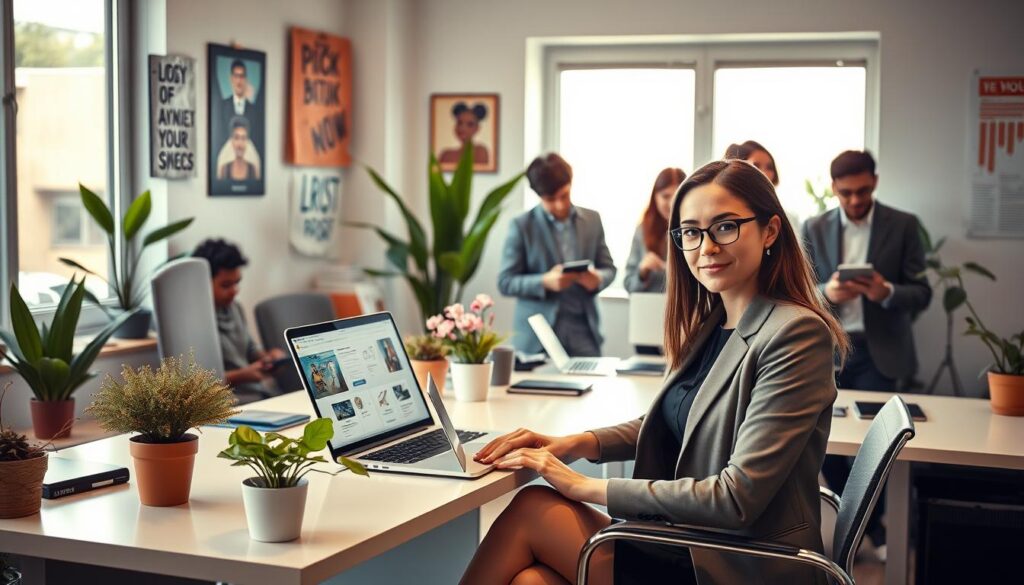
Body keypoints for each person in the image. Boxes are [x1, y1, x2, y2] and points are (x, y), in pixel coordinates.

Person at [465, 160, 847, 585]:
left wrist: (583, 486)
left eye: (725, 227)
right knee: (530, 582)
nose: (706, 248)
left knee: (532, 508)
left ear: (771, 230)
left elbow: (735, 497)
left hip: (738, 560)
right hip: (693, 541)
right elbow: (674, 420)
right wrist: (572, 444)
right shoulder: (715, 322)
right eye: (690, 232)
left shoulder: (795, 333)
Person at [801, 150, 931, 552]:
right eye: (846, 193)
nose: (855, 200)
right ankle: (866, 527)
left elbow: (923, 292)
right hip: (828, 349)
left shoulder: (904, 225)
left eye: (862, 191)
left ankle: (864, 530)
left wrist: (885, 291)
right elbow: (800, 291)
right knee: (822, 445)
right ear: (834, 189)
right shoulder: (813, 226)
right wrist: (827, 293)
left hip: (881, 351)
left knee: (874, 446)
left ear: (874, 181)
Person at [497, 153, 616, 357]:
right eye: (551, 200)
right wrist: (545, 281)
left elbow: (609, 269)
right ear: (538, 195)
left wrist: (597, 279)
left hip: (584, 332)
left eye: (565, 195)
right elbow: (505, 282)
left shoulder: (592, 220)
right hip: (536, 337)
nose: (560, 205)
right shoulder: (521, 226)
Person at [192, 238, 284, 403]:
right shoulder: (193, 321)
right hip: (228, 404)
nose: (235, 291)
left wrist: (269, 358)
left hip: (258, 395)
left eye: (237, 283)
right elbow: (196, 384)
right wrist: (241, 376)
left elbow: (250, 350)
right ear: (202, 282)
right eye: (226, 285)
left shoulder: (234, 308)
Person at [623, 167, 686, 293]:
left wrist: (668, 269)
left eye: (677, 196)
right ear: (655, 197)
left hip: (686, 308)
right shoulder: (642, 229)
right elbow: (629, 285)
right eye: (665, 196)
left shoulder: (695, 230)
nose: (671, 203)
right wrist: (642, 272)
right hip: (649, 308)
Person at [217, 58, 264, 152]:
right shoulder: (222, 106)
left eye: (242, 76)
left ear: (246, 79)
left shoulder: (254, 110)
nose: (239, 80)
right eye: (236, 76)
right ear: (231, 79)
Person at [438, 101, 490, 167]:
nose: (463, 128)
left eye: (470, 124)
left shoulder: (480, 151)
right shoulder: (446, 155)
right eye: (459, 123)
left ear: (477, 129)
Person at [217, 116, 260, 182]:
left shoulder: (253, 170)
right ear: (231, 140)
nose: (240, 144)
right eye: (236, 138)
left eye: (243, 138)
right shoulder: (224, 169)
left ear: (247, 141)